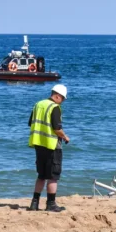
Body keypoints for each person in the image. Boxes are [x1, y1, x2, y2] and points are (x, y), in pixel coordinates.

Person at [28, 84, 70, 212]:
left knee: (41, 175)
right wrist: (65, 137)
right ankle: (51, 203)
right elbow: (57, 129)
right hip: (52, 145)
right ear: (57, 96)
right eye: (62, 99)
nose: (62, 102)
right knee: (53, 176)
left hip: (38, 144)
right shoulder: (55, 107)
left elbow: (30, 123)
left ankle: (34, 203)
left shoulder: (38, 104)